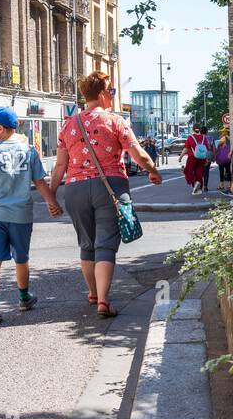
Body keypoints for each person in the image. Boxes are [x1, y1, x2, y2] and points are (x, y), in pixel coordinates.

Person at [50, 71, 161, 318]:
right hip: (110, 186)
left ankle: (92, 293)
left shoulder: (68, 125)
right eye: (111, 91)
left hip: (75, 188)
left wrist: (52, 193)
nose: (112, 95)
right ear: (101, 94)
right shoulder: (115, 121)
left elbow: (59, 166)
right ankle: (103, 301)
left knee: (87, 244)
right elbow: (139, 155)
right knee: (106, 245)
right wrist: (153, 171)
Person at [0, 105, 62, 327]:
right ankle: (24, 297)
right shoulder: (29, 151)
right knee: (21, 258)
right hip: (21, 214)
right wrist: (52, 203)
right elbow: (39, 182)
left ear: (0, 128)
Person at [183, 123, 211, 196]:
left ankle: (195, 182)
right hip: (202, 158)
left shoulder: (190, 137)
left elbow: (186, 149)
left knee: (188, 171)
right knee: (199, 172)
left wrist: (180, 157)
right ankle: (198, 187)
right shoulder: (204, 138)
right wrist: (207, 159)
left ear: (192, 129)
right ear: (200, 129)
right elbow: (207, 149)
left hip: (192, 157)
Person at [214, 125, 233, 193]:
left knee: (221, 171)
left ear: (225, 132)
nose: (221, 133)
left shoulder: (223, 138)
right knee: (228, 171)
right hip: (228, 157)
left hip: (222, 157)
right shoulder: (230, 138)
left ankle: (221, 184)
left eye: (223, 132)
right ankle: (231, 184)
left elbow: (217, 145)